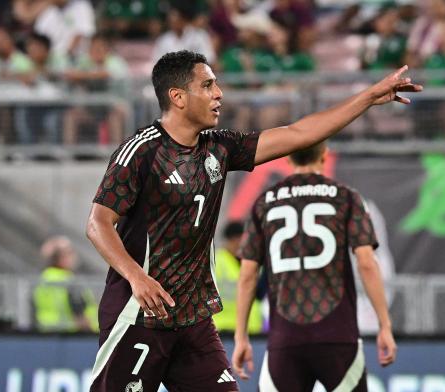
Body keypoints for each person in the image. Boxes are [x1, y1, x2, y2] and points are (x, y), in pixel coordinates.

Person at [85, 50, 420, 391]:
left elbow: (299, 134)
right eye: (207, 85)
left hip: (192, 321)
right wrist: (136, 277)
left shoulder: (219, 148)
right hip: (138, 316)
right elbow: (98, 223)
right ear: (178, 97)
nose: (219, 94)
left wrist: (367, 98)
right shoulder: (141, 151)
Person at [232, 142, 396, 391]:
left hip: (285, 338)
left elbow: (247, 275)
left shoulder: (265, 202)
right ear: (324, 155)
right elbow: (366, 262)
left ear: (286, 158)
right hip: (337, 336)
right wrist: (384, 324)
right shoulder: (346, 197)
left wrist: (241, 335)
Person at [33, 236, 98, 332]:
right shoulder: (69, 281)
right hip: (71, 337)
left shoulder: (41, 280)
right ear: (61, 258)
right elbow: (79, 314)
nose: (74, 257)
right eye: (70, 252)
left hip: (46, 335)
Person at [213, 221, 264, 333]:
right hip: (224, 329)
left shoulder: (248, 262)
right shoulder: (217, 262)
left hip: (252, 329)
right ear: (233, 240)